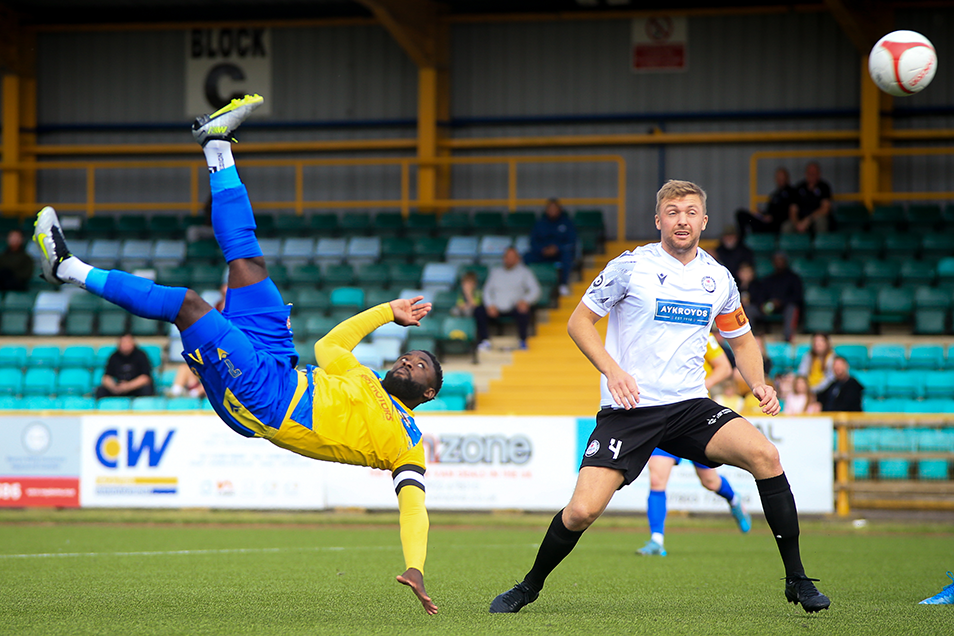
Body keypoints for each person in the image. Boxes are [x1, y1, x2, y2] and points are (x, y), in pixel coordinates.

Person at [33, 94, 441, 615]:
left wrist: (415, 564)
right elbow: (328, 346)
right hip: (282, 361)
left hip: (264, 401)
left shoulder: (407, 442)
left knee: (187, 304)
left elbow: (414, 505)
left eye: (422, 365)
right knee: (247, 261)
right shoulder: (360, 376)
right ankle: (218, 145)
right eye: (411, 356)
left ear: (428, 392)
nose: (410, 360)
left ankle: (66, 267)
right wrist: (388, 310)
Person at [489, 179, 830, 615]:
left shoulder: (718, 279)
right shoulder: (629, 267)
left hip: (690, 407)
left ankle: (797, 580)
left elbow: (742, 342)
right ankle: (529, 586)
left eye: (690, 212)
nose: (682, 220)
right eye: (673, 212)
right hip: (630, 409)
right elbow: (578, 322)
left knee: (766, 456)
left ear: (704, 221)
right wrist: (612, 371)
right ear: (658, 220)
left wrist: (758, 383)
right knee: (580, 513)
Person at [635, 333, 751, 558]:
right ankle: (656, 540)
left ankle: (734, 499)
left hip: (695, 415)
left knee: (709, 481)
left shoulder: (701, 333)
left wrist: (696, 387)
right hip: (663, 415)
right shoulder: (657, 328)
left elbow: (724, 368)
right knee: (657, 477)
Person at [475, 246, 541, 351]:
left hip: (514, 306)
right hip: (495, 308)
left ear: (517, 258)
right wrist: (490, 305)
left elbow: (535, 290)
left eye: (512, 257)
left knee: (524, 311)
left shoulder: (525, 272)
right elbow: (487, 291)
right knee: (479, 311)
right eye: (507, 257)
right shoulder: (495, 272)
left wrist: (525, 301)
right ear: (503, 258)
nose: (509, 259)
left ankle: (523, 341)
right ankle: (484, 341)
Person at [524, 197, 577, 296]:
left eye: (555, 208)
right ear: (546, 210)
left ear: (559, 209)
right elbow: (533, 242)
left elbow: (571, 242)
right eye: (550, 208)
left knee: (568, 255)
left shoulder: (567, 222)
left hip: (559, 253)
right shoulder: (540, 223)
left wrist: (557, 248)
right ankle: (526, 285)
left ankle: (563, 285)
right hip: (542, 253)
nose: (552, 211)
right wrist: (542, 250)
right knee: (526, 257)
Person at [747, 251, 803, 343]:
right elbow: (760, 295)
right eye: (776, 260)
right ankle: (748, 338)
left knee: (792, 308)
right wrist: (762, 305)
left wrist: (781, 302)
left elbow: (797, 297)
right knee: (750, 309)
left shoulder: (793, 278)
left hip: (785, 307)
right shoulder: (768, 279)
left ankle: (787, 338)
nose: (779, 262)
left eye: (781, 260)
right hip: (768, 307)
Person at [736, 167, 796, 237]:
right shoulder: (774, 195)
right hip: (765, 223)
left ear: (787, 178)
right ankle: (742, 239)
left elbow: (791, 213)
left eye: (782, 177)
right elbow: (768, 212)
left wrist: (773, 217)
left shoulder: (792, 193)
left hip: (775, 226)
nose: (780, 180)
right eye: (778, 177)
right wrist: (761, 213)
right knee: (741, 215)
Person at [95, 333, 155, 399]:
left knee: (146, 389)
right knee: (100, 391)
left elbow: (145, 378)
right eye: (123, 342)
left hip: (135, 387)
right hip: (118, 387)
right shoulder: (114, 357)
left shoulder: (141, 355)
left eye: (128, 342)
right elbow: (106, 377)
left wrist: (128, 386)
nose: (125, 345)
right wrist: (114, 387)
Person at [782, 162, 832, 236]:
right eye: (809, 172)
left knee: (821, 221)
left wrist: (808, 220)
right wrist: (798, 224)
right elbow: (792, 210)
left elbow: (825, 209)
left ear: (819, 174)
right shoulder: (799, 187)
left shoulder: (824, 187)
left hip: (814, 219)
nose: (811, 174)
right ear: (806, 174)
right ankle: (790, 247)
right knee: (787, 226)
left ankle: (821, 245)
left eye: (814, 172)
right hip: (800, 220)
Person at [797, 332, 836, 398]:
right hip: (807, 389)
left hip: (824, 391)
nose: (818, 344)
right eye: (816, 341)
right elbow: (802, 373)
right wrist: (804, 386)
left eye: (821, 341)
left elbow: (830, 378)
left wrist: (814, 389)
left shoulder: (832, 357)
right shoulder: (808, 356)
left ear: (827, 343)